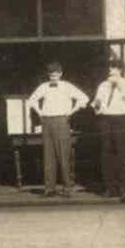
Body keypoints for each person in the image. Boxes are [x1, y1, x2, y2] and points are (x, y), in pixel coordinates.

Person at [27, 62, 88, 197]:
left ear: (60, 74)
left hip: (62, 121)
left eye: (55, 74)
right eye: (51, 74)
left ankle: (67, 188)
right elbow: (31, 100)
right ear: (48, 75)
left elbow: (84, 98)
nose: (53, 76)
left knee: (63, 155)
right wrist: (40, 112)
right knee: (48, 156)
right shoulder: (43, 87)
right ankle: (49, 189)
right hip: (47, 121)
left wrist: (71, 111)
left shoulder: (67, 86)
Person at [92, 58, 125, 201]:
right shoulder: (103, 85)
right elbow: (97, 100)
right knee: (107, 154)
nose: (110, 71)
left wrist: (118, 84)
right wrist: (97, 106)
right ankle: (110, 188)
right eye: (110, 68)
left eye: (113, 68)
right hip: (106, 120)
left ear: (120, 70)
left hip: (122, 120)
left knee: (123, 154)